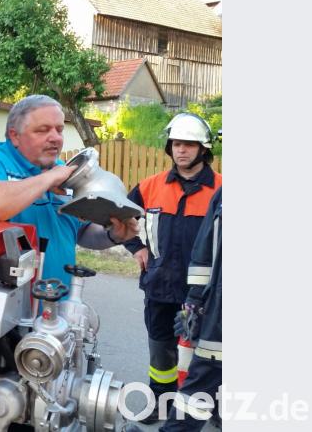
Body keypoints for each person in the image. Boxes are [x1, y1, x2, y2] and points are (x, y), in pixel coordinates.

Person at [0, 94, 139, 288]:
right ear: (15, 136)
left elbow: (81, 232)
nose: (56, 138)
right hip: (7, 305)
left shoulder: (63, 171)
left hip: (58, 301)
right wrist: (48, 178)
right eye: (43, 130)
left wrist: (114, 235)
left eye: (59, 129)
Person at [122, 113, 222, 424]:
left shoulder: (221, 190)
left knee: (208, 355)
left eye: (189, 145)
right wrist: (136, 247)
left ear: (203, 149)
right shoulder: (151, 186)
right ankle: (161, 404)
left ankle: (213, 407)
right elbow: (119, 215)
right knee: (162, 352)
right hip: (160, 286)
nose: (182, 150)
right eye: (177, 144)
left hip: (204, 293)